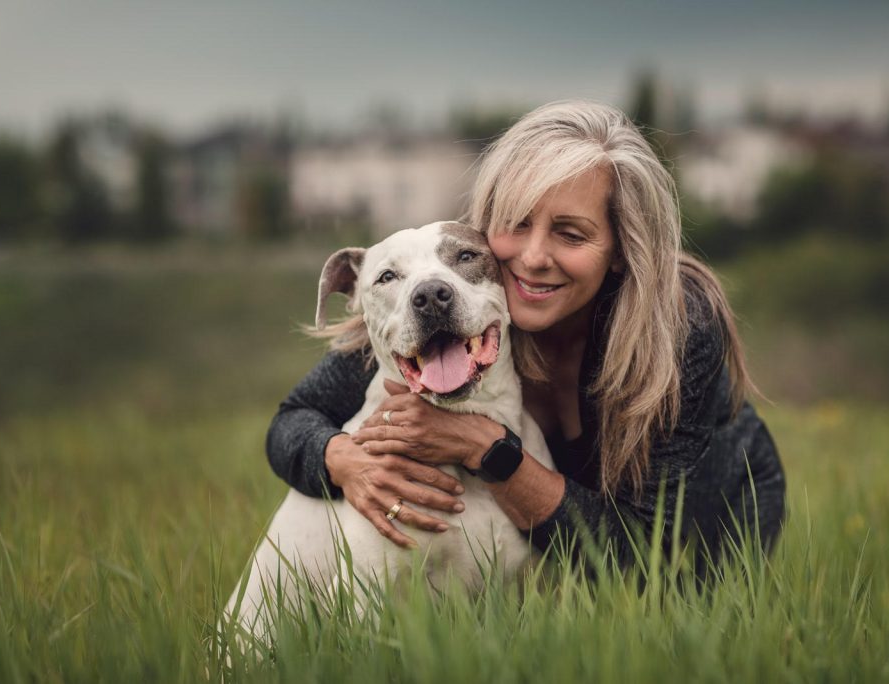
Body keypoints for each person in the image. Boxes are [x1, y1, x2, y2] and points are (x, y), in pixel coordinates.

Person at [266, 100, 786, 567]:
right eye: (516, 223)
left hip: (704, 542)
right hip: (554, 549)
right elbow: (294, 419)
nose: (534, 258)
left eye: (571, 234)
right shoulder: (453, 292)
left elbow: (641, 550)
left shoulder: (679, 325)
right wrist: (345, 461)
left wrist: (484, 446)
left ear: (622, 249)